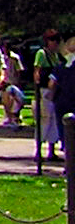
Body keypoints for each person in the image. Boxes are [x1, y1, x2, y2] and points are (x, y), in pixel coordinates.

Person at [41, 29, 75, 162]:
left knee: (65, 133)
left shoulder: (60, 68)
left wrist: (51, 95)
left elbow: (51, 84)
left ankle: (69, 163)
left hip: (62, 103)